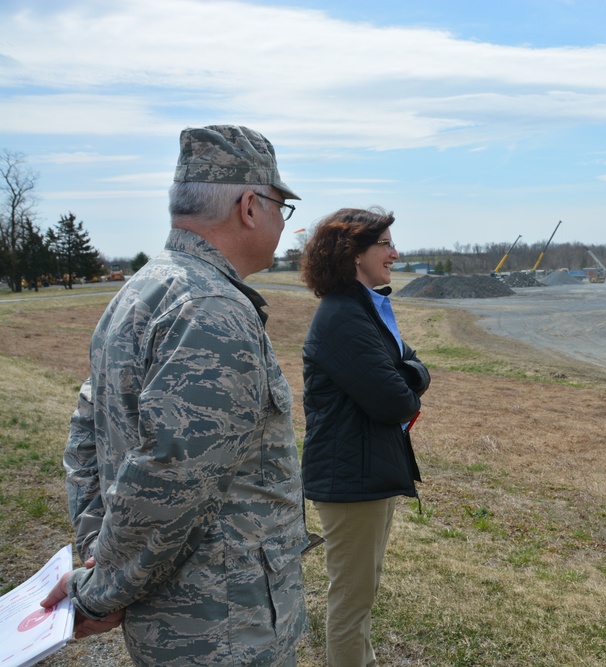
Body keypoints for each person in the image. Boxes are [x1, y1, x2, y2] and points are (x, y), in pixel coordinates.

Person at [40, 125, 309, 666]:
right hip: (222, 627)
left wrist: (101, 558)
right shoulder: (211, 308)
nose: (284, 221)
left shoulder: (144, 289)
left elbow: (87, 435)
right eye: (283, 205)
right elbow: (170, 477)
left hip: (186, 620)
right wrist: (102, 590)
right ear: (250, 206)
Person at [299, 207, 428, 667]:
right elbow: (396, 401)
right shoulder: (342, 317)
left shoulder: (362, 307)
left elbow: (410, 363)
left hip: (365, 472)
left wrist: (407, 374)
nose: (395, 253)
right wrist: (408, 378)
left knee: (361, 595)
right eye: (385, 244)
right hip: (350, 481)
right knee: (351, 602)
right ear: (355, 253)